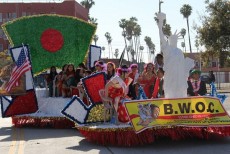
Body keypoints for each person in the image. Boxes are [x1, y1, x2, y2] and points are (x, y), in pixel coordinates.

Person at [157, 12, 194, 98]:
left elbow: (183, 65)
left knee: (182, 98)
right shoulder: (167, 49)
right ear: (169, 40)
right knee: (170, 97)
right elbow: (161, 38)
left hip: (180, 80)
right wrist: (160, 24)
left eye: (175, 39)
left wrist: (187, 67)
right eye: (172, 39)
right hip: (171, 78)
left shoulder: (179, 51)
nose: (174, 40)